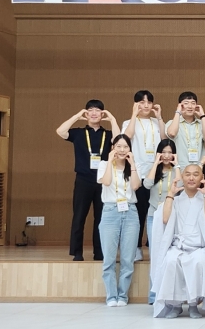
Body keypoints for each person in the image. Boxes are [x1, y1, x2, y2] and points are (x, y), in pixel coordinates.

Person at [150, 164, 205, 319]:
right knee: (170, 261)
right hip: (179, 247)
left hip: (199, 248)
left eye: (195, 174)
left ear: (202, 178)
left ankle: (192, 305)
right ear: (182, 178)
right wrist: (170, 193)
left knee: (200, 261)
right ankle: (174, 305)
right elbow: (164, 219)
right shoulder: (175, 200)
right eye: (187, 174)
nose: (191, 178)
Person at [56, 100, 119, 261]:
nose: (94, 113)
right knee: (79, 216)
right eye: (90, 110)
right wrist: (77, 116)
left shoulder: (108, 134)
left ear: (102, 114)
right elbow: (60, 131)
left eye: (98, 110)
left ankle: (99, 252)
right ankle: (77, 252)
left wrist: (112, 119)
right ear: (86, 113)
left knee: (101, 218)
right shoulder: (78, 133)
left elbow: (119, 140)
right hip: (83, 180)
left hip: (103, 180)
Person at [122, 90, 166, 262]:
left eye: (149, 102)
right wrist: (134, 114)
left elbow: (164, 139)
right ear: (136, 104)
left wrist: (160, 117)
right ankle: (137, 247)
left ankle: (156, 246)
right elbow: (127, 137)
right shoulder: (128, 122)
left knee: (155, 210)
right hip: (138, 173)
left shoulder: (157, 122)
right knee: (139, 211)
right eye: (141, 102)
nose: (146, 105)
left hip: (156, 172)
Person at [97, 134, 140, 307]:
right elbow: (106, 182)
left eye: (126, 147)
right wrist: (109, 160)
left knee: (128, 259)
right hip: (110, 211)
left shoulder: (132, 167)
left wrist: (133, 164)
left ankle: (123, 295)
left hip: (130, 212)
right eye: (118, 146)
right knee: (109, 257)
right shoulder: (103, 165)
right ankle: (111, 295)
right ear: (113, 147)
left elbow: (136, 186)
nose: (122, 150)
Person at [143, 139, 181, 304]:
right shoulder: (154, 170)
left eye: (169, 152)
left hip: (171, 217)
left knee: (170, 254)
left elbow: (180, 186)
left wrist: (177, 164)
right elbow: (147, 184)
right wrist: (155, 163)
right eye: (163, 152)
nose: (166, 155)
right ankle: (154, 295)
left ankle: (169, 293)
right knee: (155, 255)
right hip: (153, 216)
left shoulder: (176, 171)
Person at [166, 91, 205, 168]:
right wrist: (178, 112)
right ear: (180, 105)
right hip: (180, 166)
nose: (190, 106)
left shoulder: (202, 123)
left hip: (200, 167)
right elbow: (172, 133)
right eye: (186, 103)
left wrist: (203, 115)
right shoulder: (172, 123)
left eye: (193, 103)